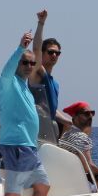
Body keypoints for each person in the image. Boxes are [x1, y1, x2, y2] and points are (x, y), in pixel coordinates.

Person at [0, 30, 50, 196]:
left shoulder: (25, 87)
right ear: (17, 63)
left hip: (29, 146)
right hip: (16, 145)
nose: (29, 66)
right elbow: (6, 71)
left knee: (43, 185)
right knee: (13, 191)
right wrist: (20, 48)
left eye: (32, 63)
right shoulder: (8, 83)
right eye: (25, 62)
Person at [27, 9, 71, 143]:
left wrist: (69, 121)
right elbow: (36, 49)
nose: (54, 55)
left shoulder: (55, 84)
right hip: (35, 134)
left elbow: (50, 109)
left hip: (49, 133)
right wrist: (41, 23)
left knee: (69, 124)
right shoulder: (38, 73)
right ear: (43, 53)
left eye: (57, 53)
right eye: (51, 52)